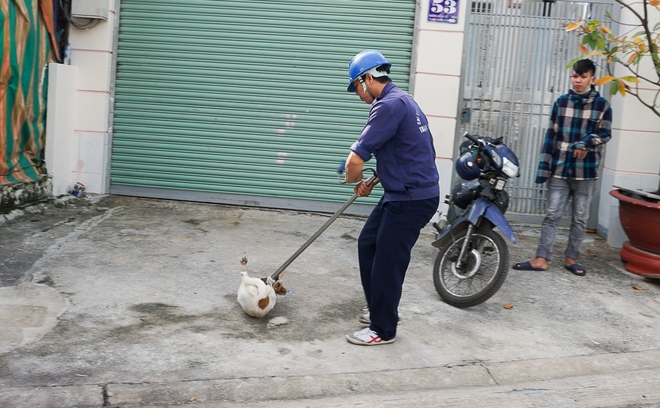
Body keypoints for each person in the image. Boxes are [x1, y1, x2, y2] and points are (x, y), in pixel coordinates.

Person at [342, 50, 440, 345]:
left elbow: (353, 161)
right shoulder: (404, 100)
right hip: (403, 192)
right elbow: (406, 152)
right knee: (368, 243)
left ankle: (383, 329)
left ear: (367, 78)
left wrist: (354, 179)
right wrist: (372, 181)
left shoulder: (386, 106)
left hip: (410, 199)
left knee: (387, 262)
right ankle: (378, 310)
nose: (357, 94)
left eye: (356, 87)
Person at [513, 59, 612, 276]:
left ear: (592, 79)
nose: (578, 80)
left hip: (586, 172)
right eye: (575, 76)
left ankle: (571, 258)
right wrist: (544, 168)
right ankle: (541, 258)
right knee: (552, 215)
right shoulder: (561, 102)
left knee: (580, 218)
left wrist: (586, 142)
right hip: (559, 169)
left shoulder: (602, 105)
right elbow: (551, 136)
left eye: (583, 77)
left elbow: (605, 134)